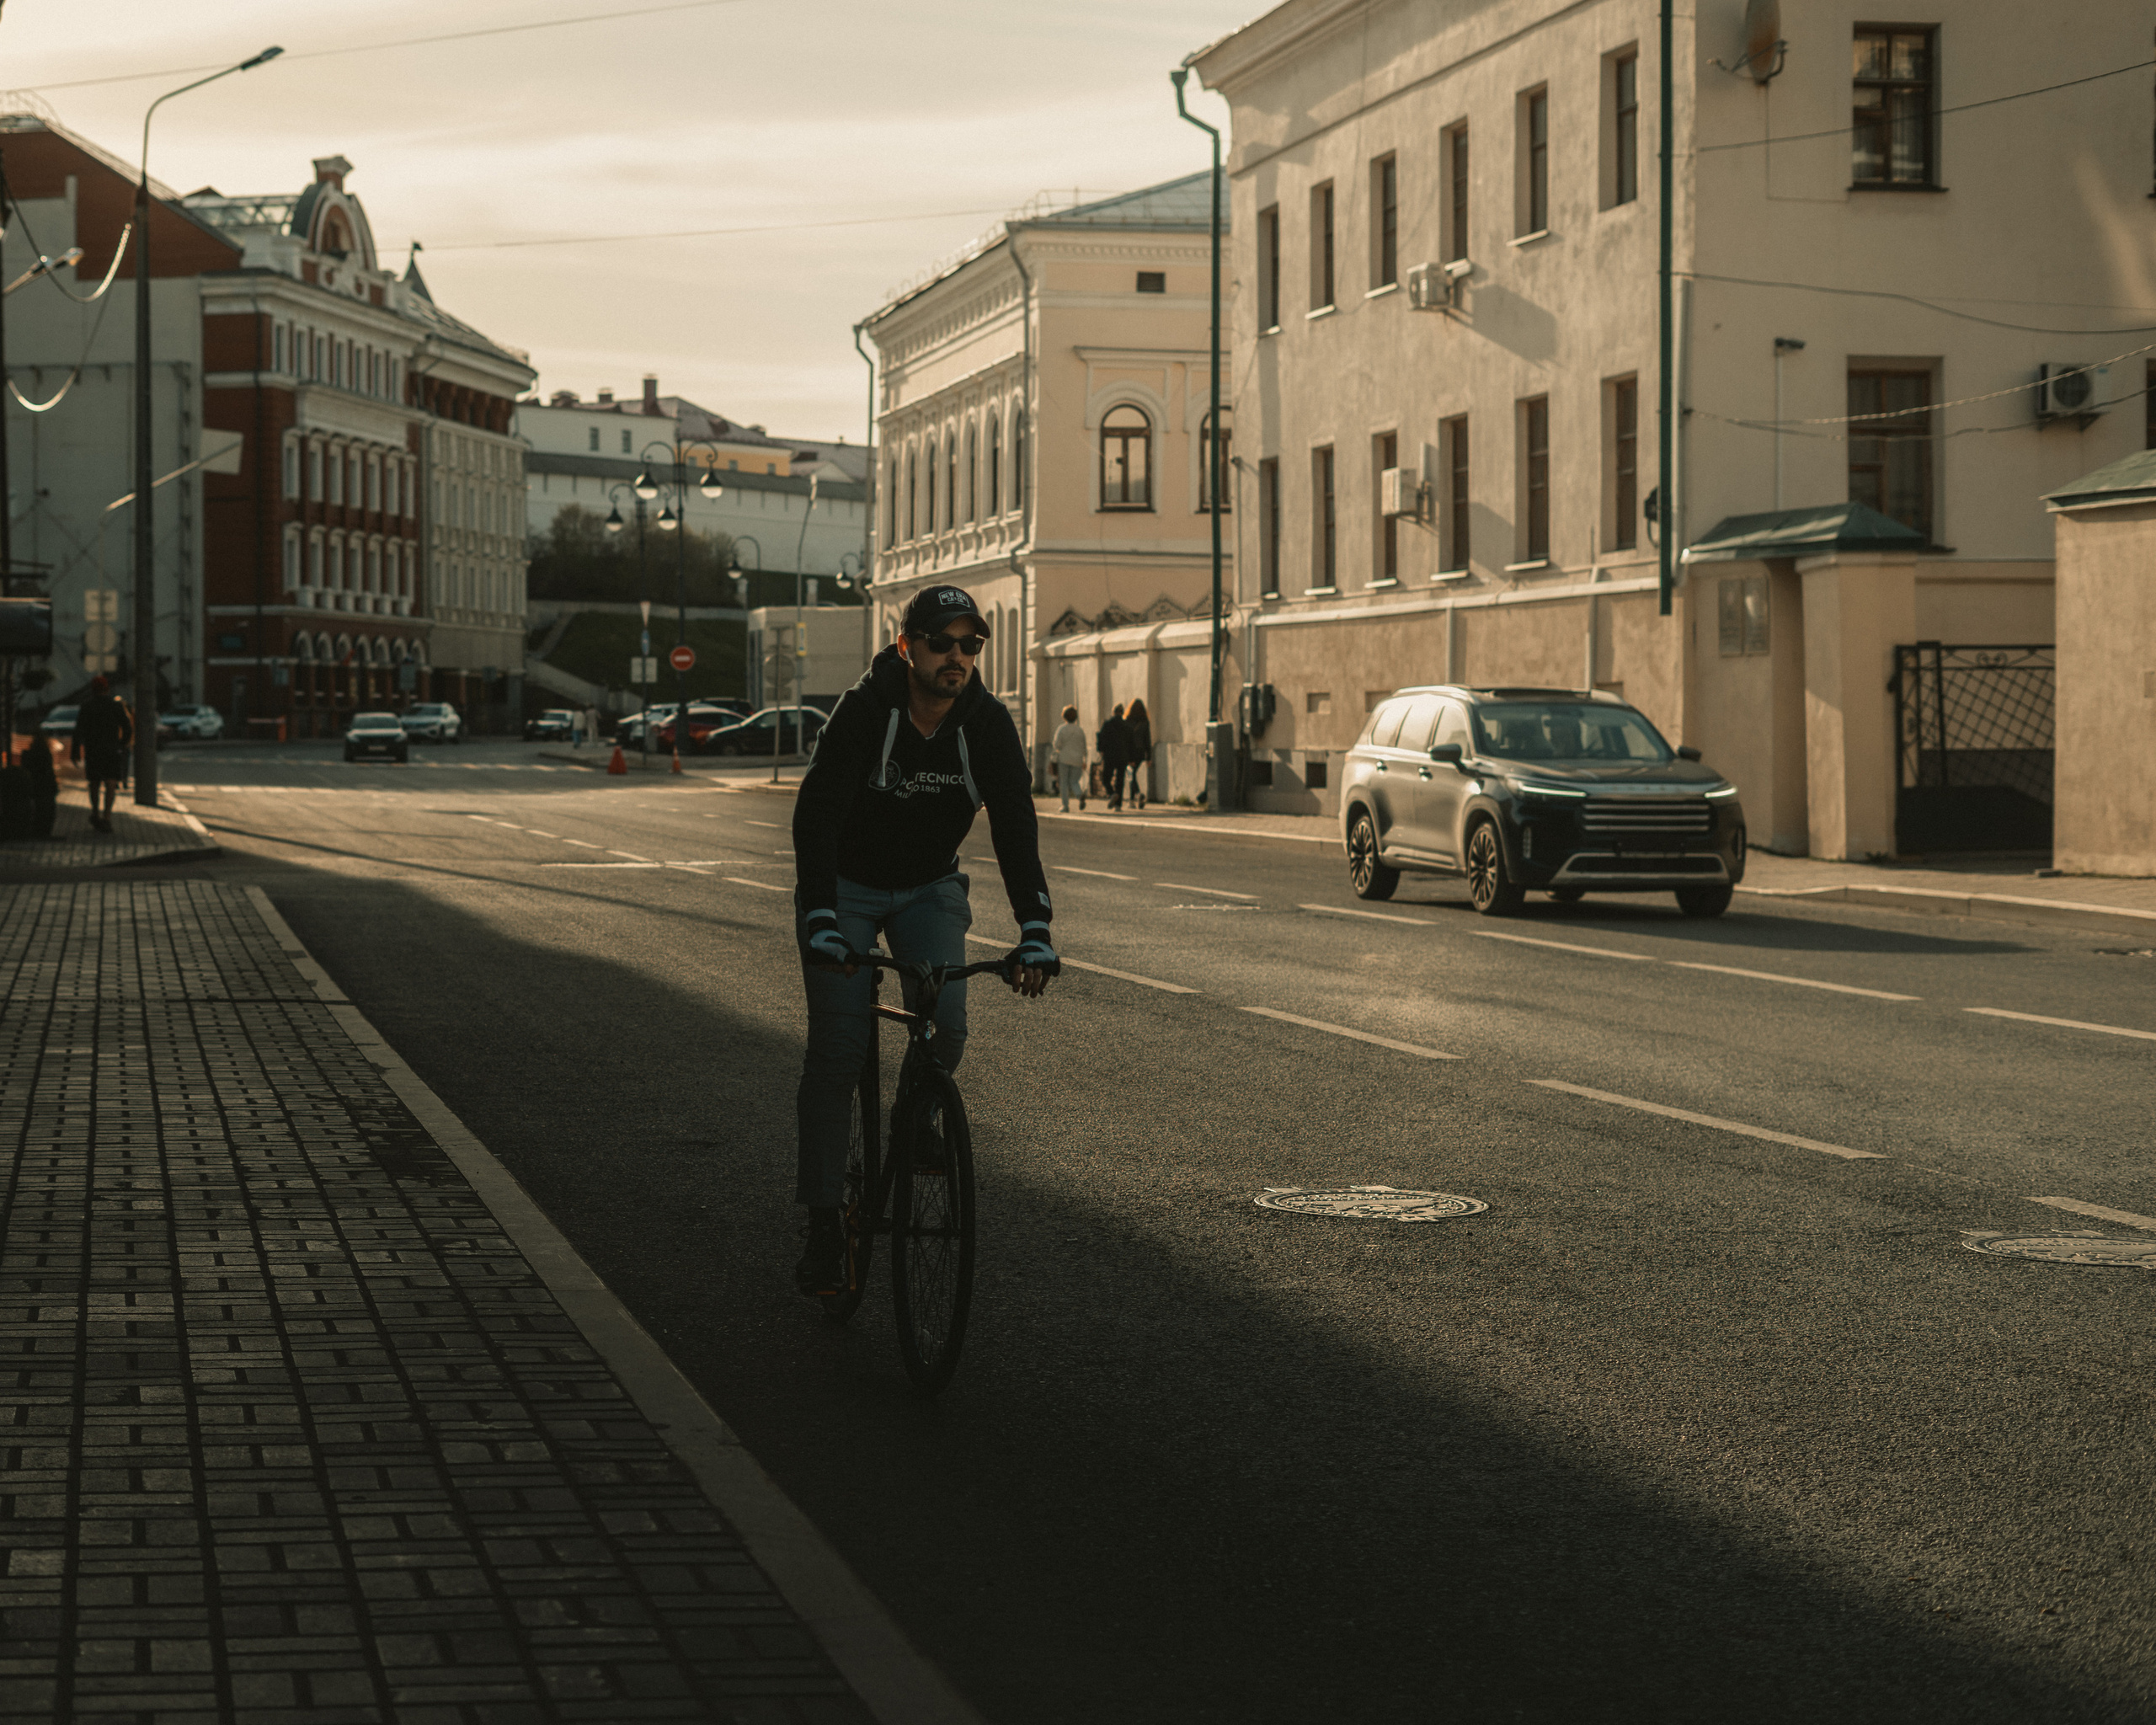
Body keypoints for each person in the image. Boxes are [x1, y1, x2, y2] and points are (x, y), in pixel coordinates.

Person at [790, 584, 1059, 1296]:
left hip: (928, 886)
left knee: (947, 1022)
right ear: (907, 645)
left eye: (971, 645)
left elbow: (1014, 827)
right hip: (845, 887)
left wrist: (1036, 929)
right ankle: (823, 1222)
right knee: (840, 1048)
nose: (958, 657)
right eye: (942, 642)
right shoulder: (864, 711)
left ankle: (916, 1116)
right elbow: (815, 816)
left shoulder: (985, 724)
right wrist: (819, 914)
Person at [71, 676, 133, 831]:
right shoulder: (115, 706)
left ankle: (95, 812)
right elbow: (127, 727)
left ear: (92, 690)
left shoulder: (87, 706)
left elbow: (79, 730)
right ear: (107, 689)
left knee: (94, 782)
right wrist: (122, 744)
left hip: (93, 750)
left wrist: (75, 750)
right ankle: (107, 816)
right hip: (112, 749)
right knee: (111, 782)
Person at [1050, 704, 1087, 812]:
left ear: (1064, 716)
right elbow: (1084, 746)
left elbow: (1057, 745)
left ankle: (1065, 806)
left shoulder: (1061, 729)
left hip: (1064, 759)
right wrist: (1084, 760)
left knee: (1064, 783)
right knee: (1074, 781)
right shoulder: (1080, 730)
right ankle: (1079, 795)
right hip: (1077, 759)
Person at [1097, 702, 1131, 812]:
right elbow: (1131, 742)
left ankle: (1112, 794)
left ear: (1114, 712)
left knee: (1106, 778)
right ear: (1122, 713)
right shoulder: (1126, 725)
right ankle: (1118, 805)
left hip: (1110, 755)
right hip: (1123, 756)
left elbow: (1101, 739)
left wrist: (1101, 750)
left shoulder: (1107, 724)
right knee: (1120, 780)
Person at [1123, 698, 1153, 811]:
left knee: (1131, 774)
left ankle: (1136, 795)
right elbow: (1148, 740)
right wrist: (1148, 757)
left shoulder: (1127, 721)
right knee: (1133, 774)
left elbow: (1125, 739)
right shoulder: (1145, 722)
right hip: (1140, 752)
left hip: (1130, 751)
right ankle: (1133, 798)